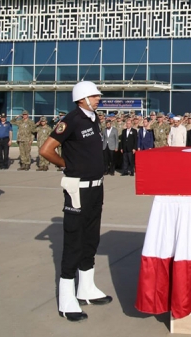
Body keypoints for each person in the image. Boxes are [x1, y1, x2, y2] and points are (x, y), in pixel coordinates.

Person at [38, 81, 112, 323]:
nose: (98, 98)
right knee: (74, 241)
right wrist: (66, 165)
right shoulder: (70, 120)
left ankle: (86, 288)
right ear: (82, 98)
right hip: (77, 189)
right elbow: (46, 150)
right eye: (94, 95)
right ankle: (67, 298)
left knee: (91, 238)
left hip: (96, 188)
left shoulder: (93, 119)